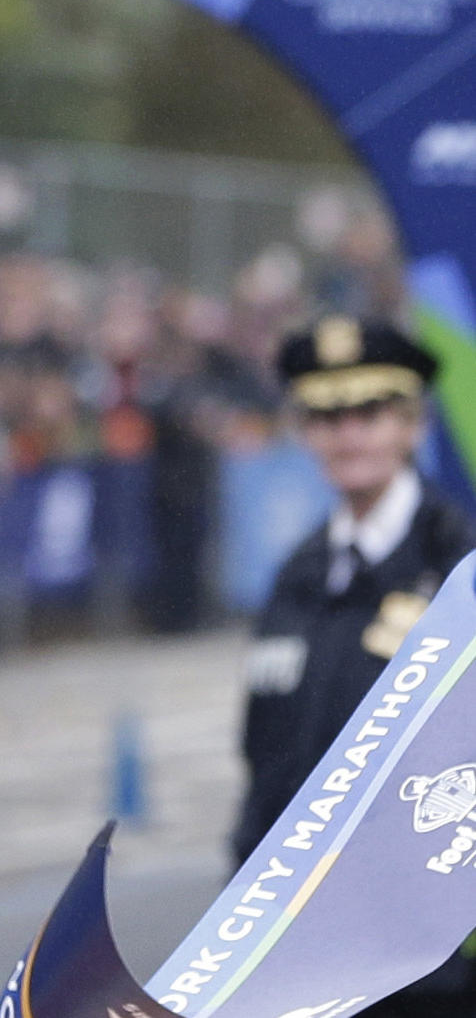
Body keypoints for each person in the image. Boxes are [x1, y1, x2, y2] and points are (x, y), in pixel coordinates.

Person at [232, 316, 475, 1016]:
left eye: (369, 410)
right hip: (306, 954)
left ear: (413, 423)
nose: (348, 434)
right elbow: (266, 762)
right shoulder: (298, 575)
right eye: (325, 415)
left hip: (434, 962)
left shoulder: (463, 567)